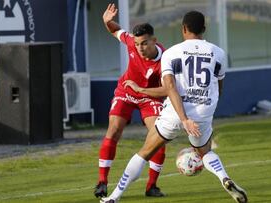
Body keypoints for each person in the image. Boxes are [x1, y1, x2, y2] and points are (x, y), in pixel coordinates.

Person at [100, 11, 248, 203]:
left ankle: (114, 197)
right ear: (204, 29)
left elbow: (169, 88)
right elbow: (219, 89)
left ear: (183, 29)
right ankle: (224, 178)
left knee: (144, 153)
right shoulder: (218, 53)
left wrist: (183, 118)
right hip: (203, 111)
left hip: (176, 112)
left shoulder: (171, 53)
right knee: (206, 153)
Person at [94, 3, 167, 198]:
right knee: (114, 129)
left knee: (158, 136)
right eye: (137, 44)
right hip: (126, 91)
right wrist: (107, 21)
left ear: (154, 40)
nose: (140, 48)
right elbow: (116, 31)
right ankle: (102, 182)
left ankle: (151, 186)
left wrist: (143, 90)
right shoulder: (130, 42)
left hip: (149, 96)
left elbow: (167, 89)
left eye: (144, 43)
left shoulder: (165, 60)